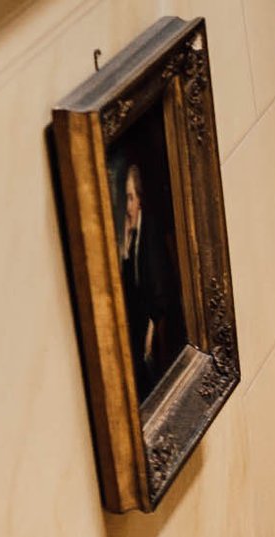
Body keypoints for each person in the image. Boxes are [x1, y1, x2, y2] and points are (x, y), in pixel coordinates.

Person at [115, 158, 180, 401]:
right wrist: (126, 245)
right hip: (142, 319)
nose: (128, 206)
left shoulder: (149, 232)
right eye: (127, 198)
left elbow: (159, 291)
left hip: (157, 321)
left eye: (131, 198)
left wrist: (151, 333)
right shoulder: (135, 233)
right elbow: (130, 286)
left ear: (140, 198)